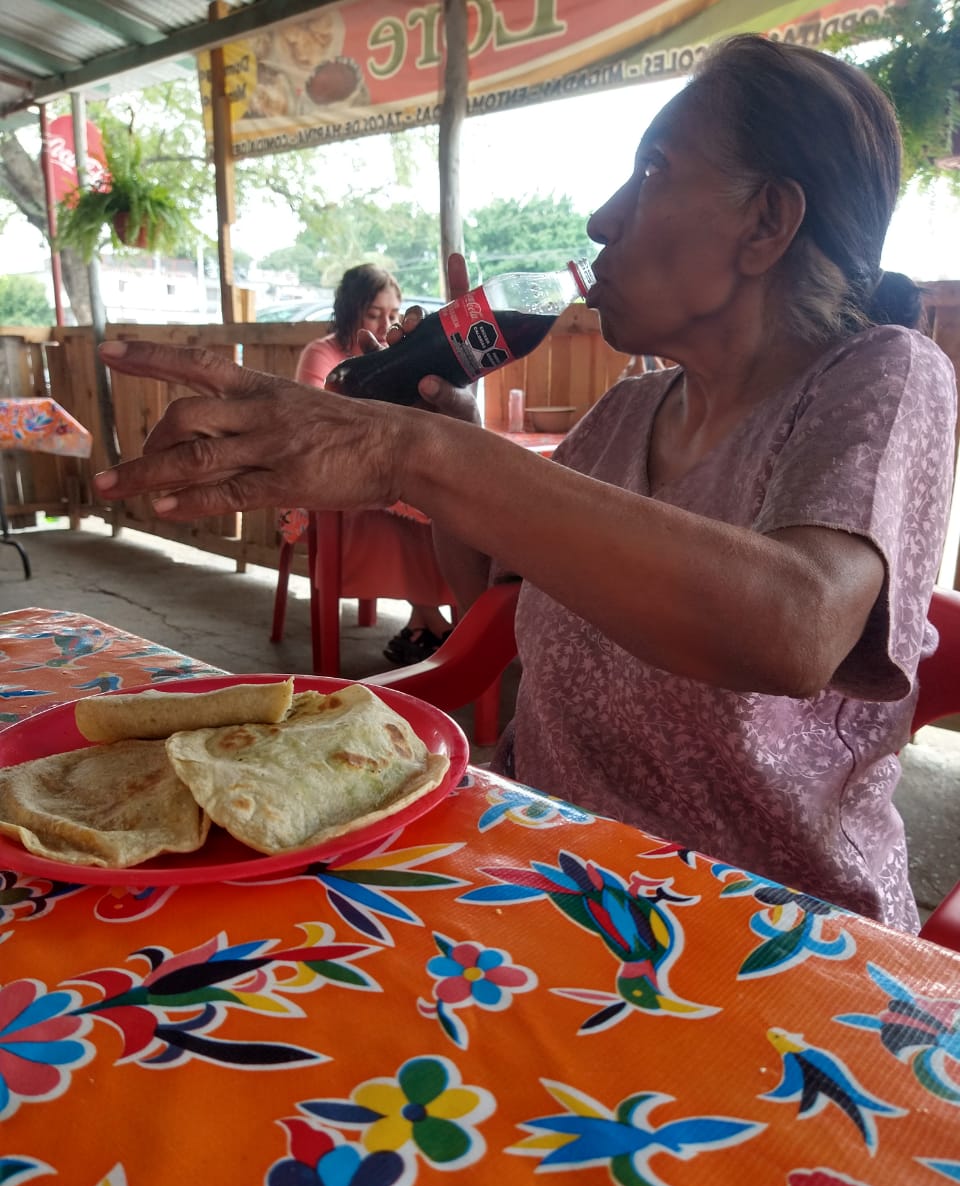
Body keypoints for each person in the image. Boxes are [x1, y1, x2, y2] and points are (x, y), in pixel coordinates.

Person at [94, 35, 958, 932]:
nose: (601, 218)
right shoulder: (631, 411)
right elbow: (490, 600)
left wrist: (418, 457)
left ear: (767, 221)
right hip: (544, 875)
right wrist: (441, 444)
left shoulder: (884, 376)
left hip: (769, 932)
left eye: (653, 170)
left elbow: (795, 625)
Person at [294, 264, 453, 664]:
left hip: (389, 477)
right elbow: (316, 428)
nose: (386, 324)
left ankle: (422, 625)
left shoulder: (398, 357)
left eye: (394, 314)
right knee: (395, 509)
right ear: (351, 311)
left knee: (444, 508)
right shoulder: (322, 353)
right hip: (327, 484)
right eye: (374, 314)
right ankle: (437, 626)